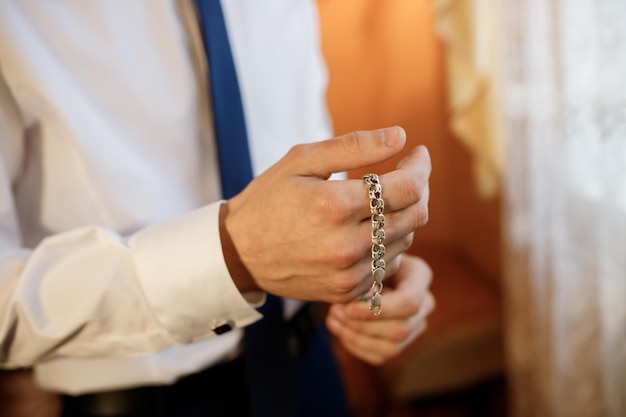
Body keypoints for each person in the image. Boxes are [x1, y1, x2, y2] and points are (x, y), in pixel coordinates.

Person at [0, 1, 435, 416]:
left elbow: (302, 144)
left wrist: (364, 261)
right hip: (150, 401)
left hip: (312, 370)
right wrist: (231, 257)